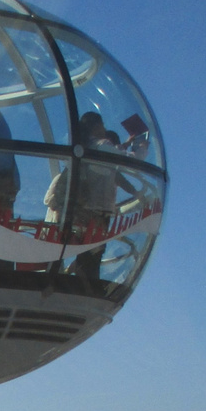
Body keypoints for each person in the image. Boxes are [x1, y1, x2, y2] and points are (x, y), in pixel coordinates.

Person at [68, 111, 121, 289]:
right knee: (95, 253)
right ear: (96, 126)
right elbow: (126, 160)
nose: (105, 129)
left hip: (84, 208)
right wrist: (140, 147)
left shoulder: (85, 147)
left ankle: (82, 286)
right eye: (103, 125)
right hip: (100, 209)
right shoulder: (103, 145)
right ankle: (89, 290)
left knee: (85, 252)